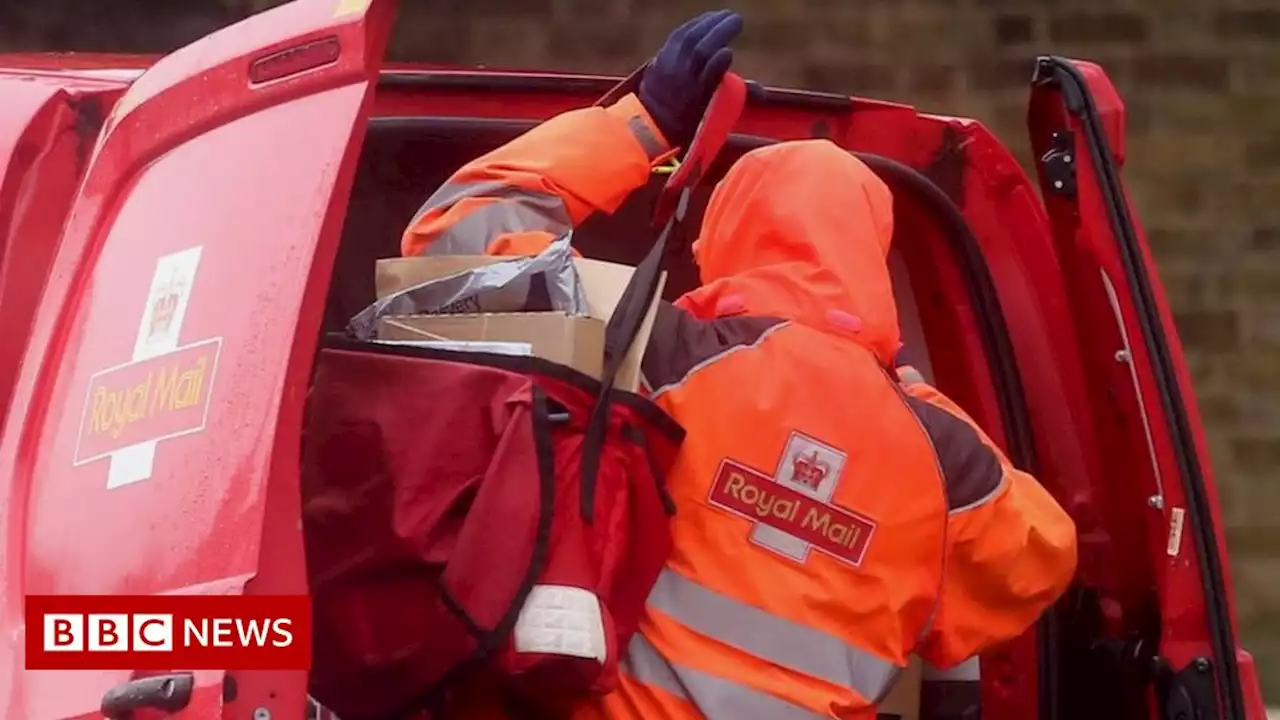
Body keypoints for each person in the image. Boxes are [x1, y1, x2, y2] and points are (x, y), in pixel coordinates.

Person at [402, 11, 1078, 719]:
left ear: (723, 240)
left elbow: (453, 250)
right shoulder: (940, 455)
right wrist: (890, 379)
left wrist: (641, 124)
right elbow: (1041, 555)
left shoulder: (654, 351)